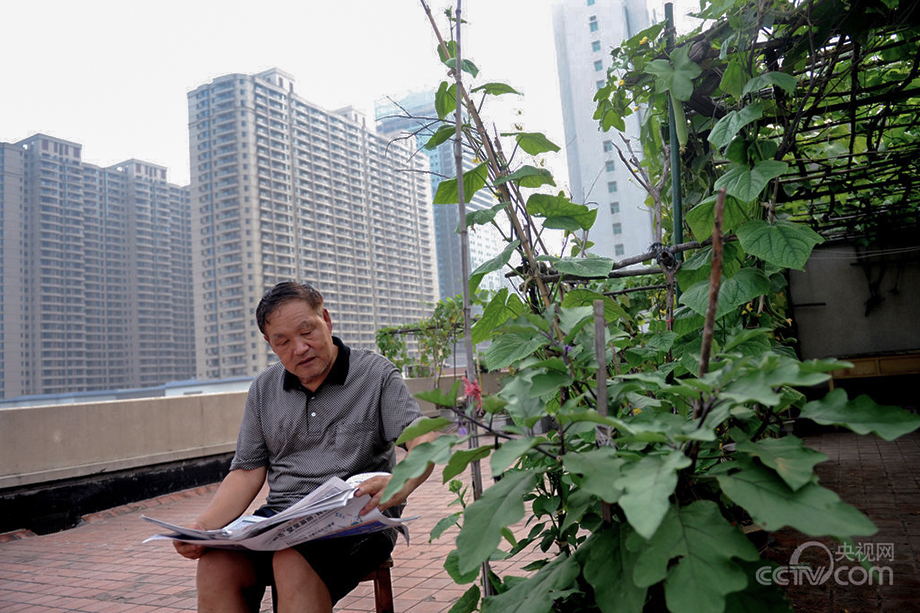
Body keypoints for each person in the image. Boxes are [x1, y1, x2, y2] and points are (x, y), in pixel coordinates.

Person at [174, 281, 437, 613]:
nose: (299, 348)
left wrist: (401, 481)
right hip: (281, 519)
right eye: (283, 341)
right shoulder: (264, 389)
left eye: (307, 332)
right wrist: (203, 527)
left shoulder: (375, 374)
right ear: (270, 344)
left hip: (356, 518)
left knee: (292, 560)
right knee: (217, 565)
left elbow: (423, 440)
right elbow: (246, 472)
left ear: (325, 319)